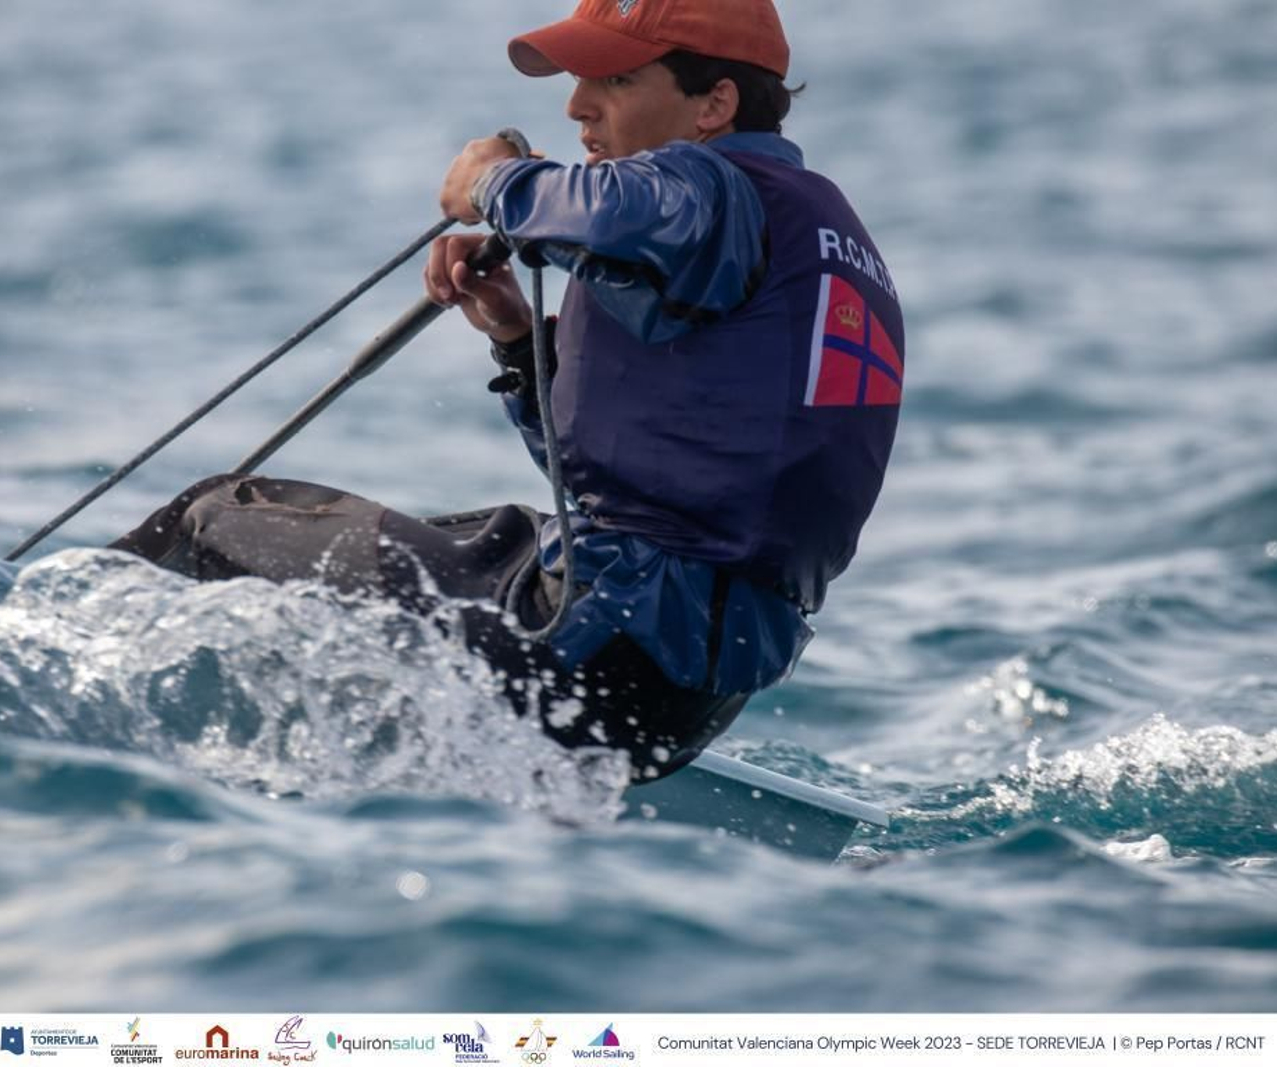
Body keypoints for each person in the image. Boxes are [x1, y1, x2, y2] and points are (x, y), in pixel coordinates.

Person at [113, 0, 904, 780]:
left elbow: (623, 210)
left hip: (591, 643)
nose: (575, 106)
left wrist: (496, 180)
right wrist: (518, 338)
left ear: (714, 104)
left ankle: (32, 651)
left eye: (617, 81)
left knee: (210, 517)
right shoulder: (819, 234)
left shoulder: (709, 190)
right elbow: (630, 469)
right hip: (683, 692)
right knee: (492, 532)